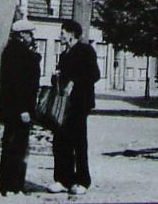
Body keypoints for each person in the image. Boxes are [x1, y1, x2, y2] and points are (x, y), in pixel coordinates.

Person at [48, 19, 101, 195]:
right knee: (61, 141)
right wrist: (56, 77)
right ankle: (63, 179)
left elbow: (94, 74)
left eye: (63, 32)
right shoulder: (64, 54)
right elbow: (60, 76)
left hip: (79, 103)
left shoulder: (86, 51)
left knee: (78, 142)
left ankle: (82, 181)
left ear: (72, 33)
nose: (60, 35)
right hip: (63, 104)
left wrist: (74, 82)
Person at [0, 19, 42, 197]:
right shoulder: (19, 53)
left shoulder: (12, 51)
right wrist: (23, 109)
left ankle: (8, 183)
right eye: (30, 33)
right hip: (19, 109)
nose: (32, 37)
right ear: (22, 34)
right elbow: (18, 85)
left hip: (12, 109)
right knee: (17, 147)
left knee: (11, 145)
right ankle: (12, 185)